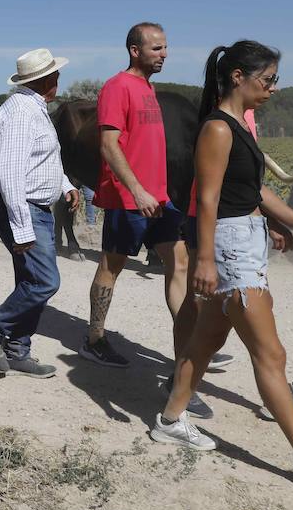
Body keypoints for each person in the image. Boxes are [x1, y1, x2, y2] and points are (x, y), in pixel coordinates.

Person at [153, 41, 293, 491]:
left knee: (205, 342)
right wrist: (206, 259)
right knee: (270, 354)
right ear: (238, 77)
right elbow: (208, 199)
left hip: (243, 240)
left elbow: (253, 191)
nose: (273, 88)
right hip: (228, 247)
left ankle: (171, 420)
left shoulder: (238, 126)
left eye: (274, 80)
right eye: (267, 79)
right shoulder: (217, 129)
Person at [81, 23, 229, 380]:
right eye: (156, 49)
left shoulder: (149, 88)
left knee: (177, 262)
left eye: (165, 48)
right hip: (127, 198)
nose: (164, 54)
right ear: (135, 50)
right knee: (111, 266)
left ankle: (188, 342)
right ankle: (95, 338)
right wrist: (136, 190)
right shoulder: (118, 87)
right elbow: (109, 145)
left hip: (160, 199)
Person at [0, 48, 80, 377]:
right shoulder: (20, 112)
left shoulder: (35, 108)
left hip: (34, 206)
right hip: (21, 206)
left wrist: (64, 185)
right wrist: (22, 228)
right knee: (45, 282)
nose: (59, 78)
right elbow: (10, 172)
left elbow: (41, 160)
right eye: (55, 74)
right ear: (45, 79)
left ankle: (18, 349)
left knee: (30, 281)